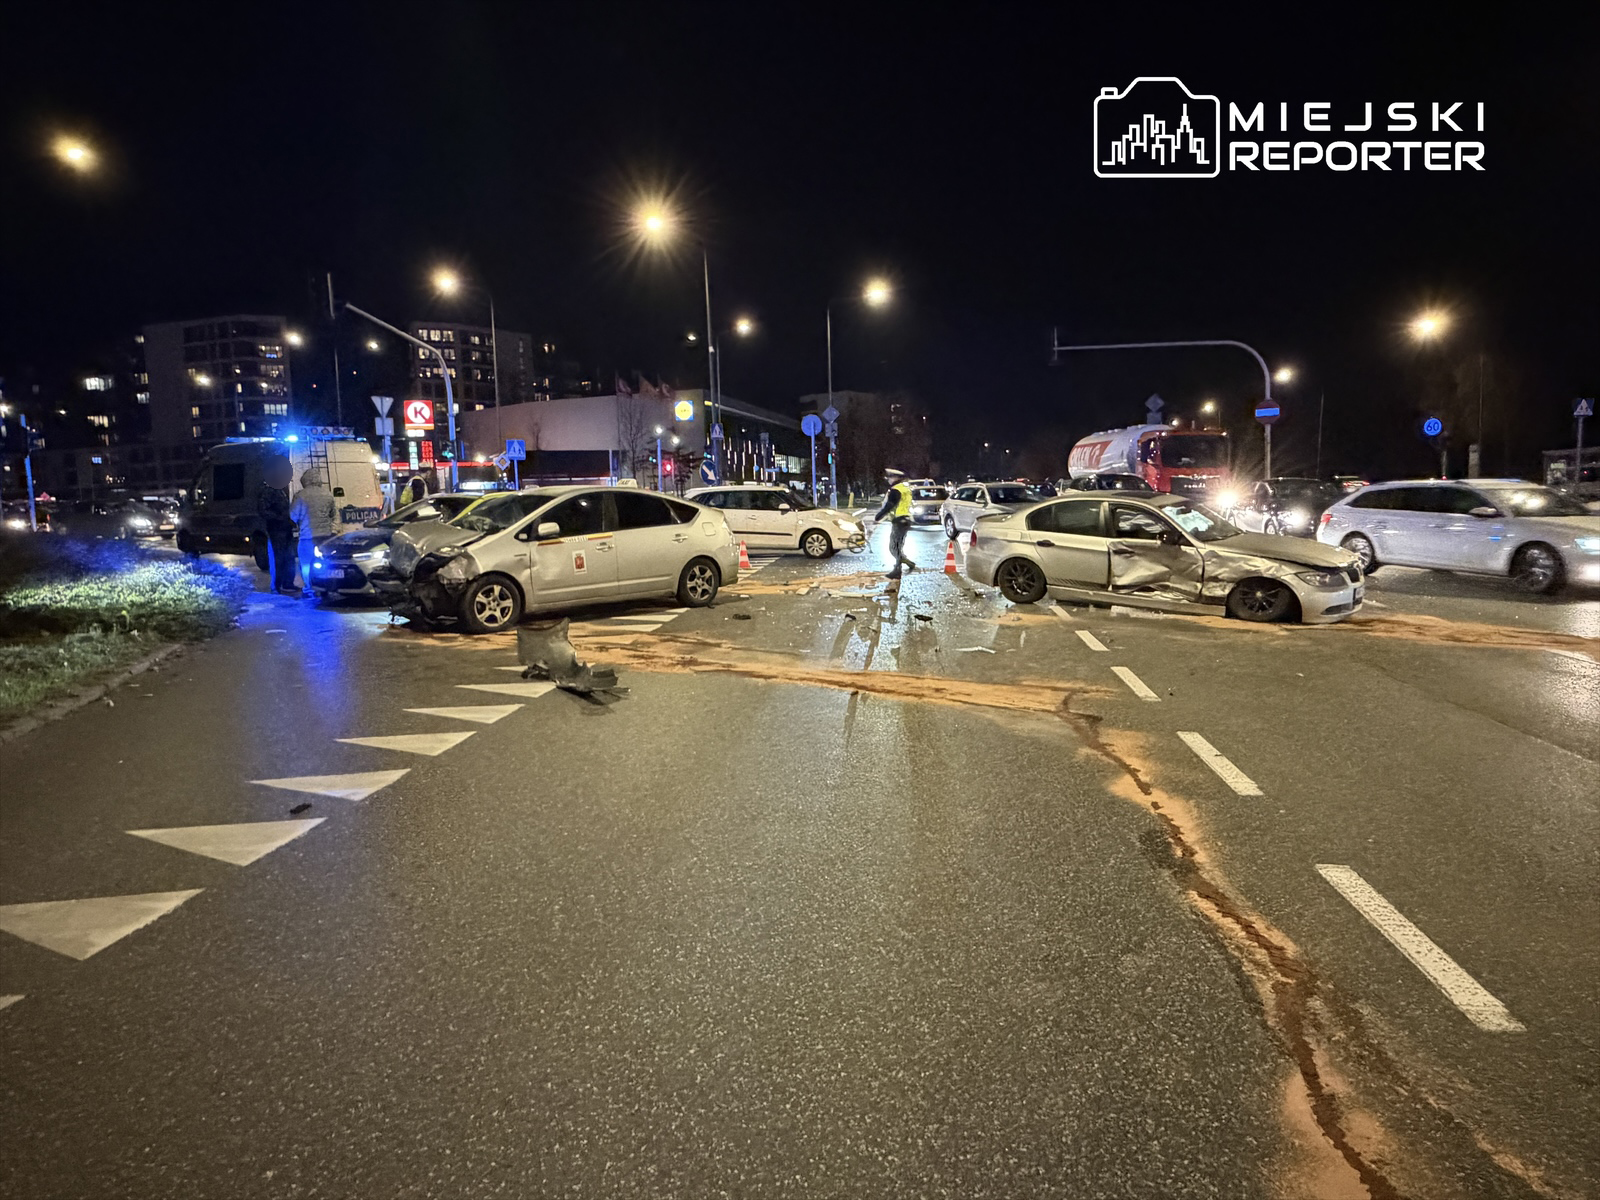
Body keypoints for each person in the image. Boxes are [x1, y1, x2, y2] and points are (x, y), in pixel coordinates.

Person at [256, 455, 299, 595]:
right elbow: (263, 510)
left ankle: (288, 583)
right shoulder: (269, 490)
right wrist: (280, 518)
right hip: (277, 529)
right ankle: (280, 584)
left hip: (285, 528)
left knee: (289, 557)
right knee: (280, 558)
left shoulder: (280, 490)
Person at [289, 468, 337, 591]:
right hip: (325, 535)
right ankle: (324, 584)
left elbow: (293, 515)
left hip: (307, 536)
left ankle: (309, 587)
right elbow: (333, 514)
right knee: (325, 562)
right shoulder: (328, 494)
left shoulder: (300, 496)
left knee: (305, 563)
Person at [873, 468, 916, 581]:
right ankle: (904, 564)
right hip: (906, 519)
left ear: (896, 478)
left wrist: (878, 516)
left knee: (893, 547)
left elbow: (890, 505)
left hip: (899, 520)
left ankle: (898, 569)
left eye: (890, 477)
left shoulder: (896, 490)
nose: (889, 480)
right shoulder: (905, 488)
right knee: (898, 546)